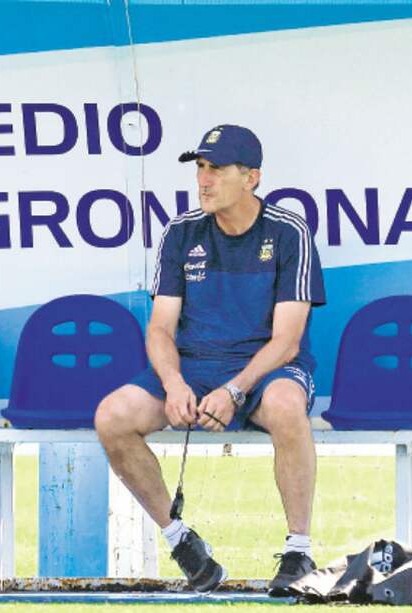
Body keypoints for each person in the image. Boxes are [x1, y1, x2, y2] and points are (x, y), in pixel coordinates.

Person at [94, 124, 326, 595]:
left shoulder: (288, 232)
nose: (203, 180)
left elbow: (286, 340)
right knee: (112, 415)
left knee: (285, 405)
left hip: (265, 369)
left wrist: (235, 389)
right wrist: (175, 383)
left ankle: (299, 550)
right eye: (200, 168)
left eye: (216, 169)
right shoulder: (181, 232)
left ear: (251, 178)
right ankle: (183, 544)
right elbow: (160, 328)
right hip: (194, 367)